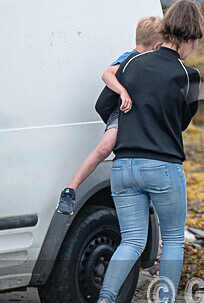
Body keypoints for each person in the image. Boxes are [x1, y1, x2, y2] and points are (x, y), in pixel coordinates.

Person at [87, 0, 204, 303]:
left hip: (124, 165)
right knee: (173, 241)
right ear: (190, 37)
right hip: (163, 165)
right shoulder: (189, 75)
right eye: (197, 40)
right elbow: (183, 122)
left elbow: (104, 104)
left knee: (132, 241)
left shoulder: (132, 62)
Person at [56, 17, 161, 215]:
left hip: (138, 115)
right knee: (105, 147)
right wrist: (123, 92)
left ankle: (143, 193)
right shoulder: (130, 57)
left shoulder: (151, 63)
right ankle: (70, 190)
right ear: (156, 46)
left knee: (143, 152)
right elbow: (107, 74)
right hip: (122, 111)